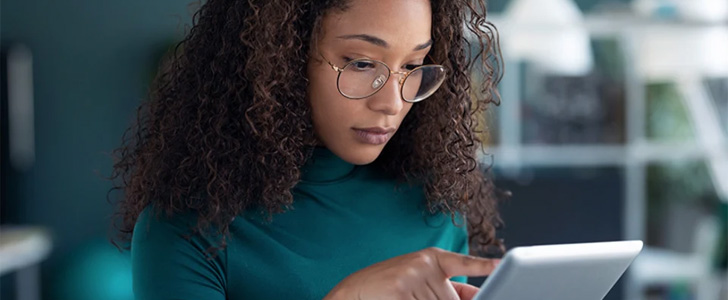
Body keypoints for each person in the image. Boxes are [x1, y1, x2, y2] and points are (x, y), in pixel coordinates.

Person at [110, 0, 506, 299]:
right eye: (362, 63)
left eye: (412, 65)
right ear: (281, 55)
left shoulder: (434, 208)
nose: (392, 102)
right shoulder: (188, 231)